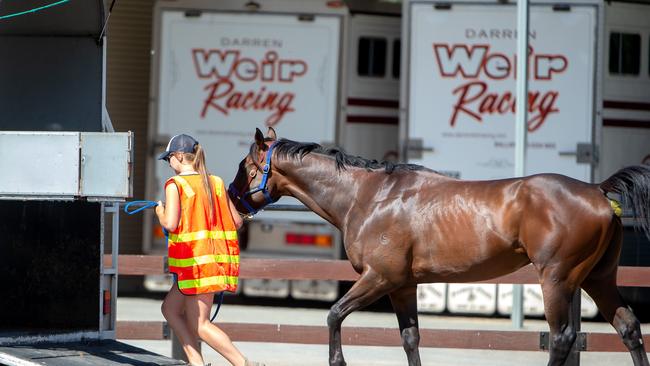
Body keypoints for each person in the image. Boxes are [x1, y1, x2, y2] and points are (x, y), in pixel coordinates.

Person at [155, 134, 263, 366]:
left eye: (169, 159)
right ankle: (197, 363)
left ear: (180, 157)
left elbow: (170, 224)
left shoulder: (174, 185)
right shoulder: (215, 182)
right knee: (170, 309)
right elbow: (237, 222)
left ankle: (243, 364)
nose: (169, 164)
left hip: (195, 264)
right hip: (212, 263)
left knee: (200, 324)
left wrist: (160, 212)